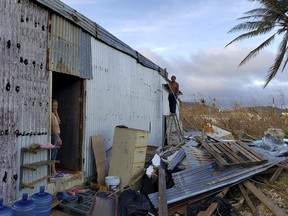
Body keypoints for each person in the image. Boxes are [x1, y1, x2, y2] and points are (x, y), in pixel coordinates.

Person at [51, 99, 62, 176]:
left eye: (56, 105)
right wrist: (58, 138)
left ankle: (53, 170)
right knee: (53, 153)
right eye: (54, 105)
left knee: (55, 153)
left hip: (57, 135)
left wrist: (56, 112)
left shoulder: (53, 114)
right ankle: (53, 171)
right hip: (54, 135)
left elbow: (59, 122)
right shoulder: (50, 115)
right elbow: (52, 127)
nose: (55, 107)